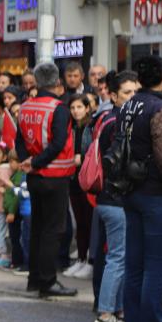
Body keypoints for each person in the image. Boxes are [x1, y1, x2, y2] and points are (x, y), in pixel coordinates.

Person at [117, 56, 162, 322]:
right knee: (155, 270)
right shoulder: (160, 109)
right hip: (157, 196)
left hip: (132, 193)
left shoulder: (129, 104)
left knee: (135, 267)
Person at [16, 61, 78, 298]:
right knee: (53, 230)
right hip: (55, 176)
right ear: (57, 82)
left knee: (38, 228)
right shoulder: (59, 108)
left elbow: (19, 140)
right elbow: (59, 143)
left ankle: (34, 279)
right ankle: (48, 280)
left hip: (34, 176)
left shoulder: (25, 106)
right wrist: (37, 162)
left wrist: (27, 160)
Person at [91, 71, 138, 322]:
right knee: (118, 258)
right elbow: (117, 164)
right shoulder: (116, 122)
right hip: (114, 199)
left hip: (110, 198)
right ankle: (106, 313)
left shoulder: (106, 119)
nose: (132, 97)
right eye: (127, 92)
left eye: (135, 91)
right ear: (113, 96)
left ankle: (117, 311)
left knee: (119, 256)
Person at [64, 94, 95, 280]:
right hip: (73, 178)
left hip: (88, 180)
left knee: (89, 221)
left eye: (79, 107)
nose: (76, 111)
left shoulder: (91, 127)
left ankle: (90, 260)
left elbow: (95, 151)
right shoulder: (70, 128)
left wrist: (81, 158)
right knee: (80, 222)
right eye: (73, 107)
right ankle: (81, 258)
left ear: (87, 108)